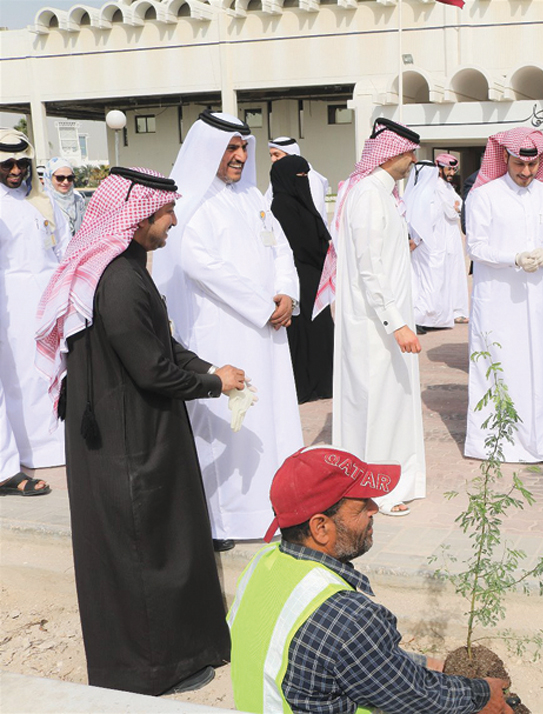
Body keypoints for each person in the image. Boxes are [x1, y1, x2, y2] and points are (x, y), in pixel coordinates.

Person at [35, 166, 240, 695]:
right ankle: (153, 672)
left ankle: (168, 659)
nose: (172, 221)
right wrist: (212, 384)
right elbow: (151, 369)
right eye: (166, 212)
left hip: (130, 430)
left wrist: (210, 370)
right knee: (144, 552)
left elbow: (161, 344)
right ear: (138, 217)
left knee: (152, 545)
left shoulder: (124, 267)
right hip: (129, 441)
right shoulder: (120, 278)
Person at [228, 445, 512, 714]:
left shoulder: (262, 564)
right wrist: (482, 695)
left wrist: (425, 664)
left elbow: (354, 658)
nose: (375, 508)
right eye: (362, 505)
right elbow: (412, 696)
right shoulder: (350, 617)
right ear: (321, 527)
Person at [152, 111, 304, 549]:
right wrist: (263, 306)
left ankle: (274, 509)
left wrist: (286, 294)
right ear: (208, 151)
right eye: (230, 148)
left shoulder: (252, 196)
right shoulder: (191, 203)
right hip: (223, 333)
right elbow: (202, 265)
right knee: (229, 424)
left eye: (243, 148)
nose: (239, 156)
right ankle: (225, 520)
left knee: (271, 416)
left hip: (268, 330)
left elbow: (282, 250)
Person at [314, 118, 426, 516]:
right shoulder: (367, 195)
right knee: (374, 406)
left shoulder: (383, 193)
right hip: (373, 325)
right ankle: (373, 492)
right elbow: (368, 269)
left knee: (392, 403)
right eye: (409, 153)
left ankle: (391, 483)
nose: (413, 161)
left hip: (386, 319)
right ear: (390, 153)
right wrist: (396, 323)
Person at [464, 128, 543, 470]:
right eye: (519, 164)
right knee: (498, 367)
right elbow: (476, 247)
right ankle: (494, 443)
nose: (526, 172)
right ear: (505, 158)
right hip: (497, 300)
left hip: (537, 298)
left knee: (539, 369)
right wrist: (513, 258)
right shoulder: (483, 196)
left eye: (532, 165)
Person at [0, 128, 69, 473]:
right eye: (7, 164)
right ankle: (28, 451)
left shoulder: (44, 201)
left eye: (22, 164)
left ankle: (59, 445)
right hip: (11, 307)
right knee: (22, 377)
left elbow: (65, 249)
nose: (16, 171)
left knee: (54, 371)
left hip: (51, 301)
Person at [269, 155, 334, 403]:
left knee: (319, 330)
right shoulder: (281, 206)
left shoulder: (301, 202)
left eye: (306, 176)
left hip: (314, 275)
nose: (304, 181)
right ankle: (305, 386)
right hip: (297, 278)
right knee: (302, 333)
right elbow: (300, 244)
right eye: (300, 176)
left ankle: (323, 382)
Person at [405, 153, 468, 330]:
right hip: (427, 243)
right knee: (430, 282)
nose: (452, 173)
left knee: (434, 281)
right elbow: (444, 213)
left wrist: (456, 208)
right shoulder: (431, 191)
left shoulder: (433, 190)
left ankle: (434, 317)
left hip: (433, 241)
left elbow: (458, 207)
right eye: (448, 169)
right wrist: (416, 240)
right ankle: (425, 318)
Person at [264, 136, 331, 220]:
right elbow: (267, 204)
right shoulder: (278, 180)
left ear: (291, 155)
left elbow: (315, 212)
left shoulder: (310, 178)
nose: (273, 159)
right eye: (271, 155)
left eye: (276, 155)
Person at [44, 157, 88, 234]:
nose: (65, 182)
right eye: (60, 178)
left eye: (70, 178)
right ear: (49, 177)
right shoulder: (43, 202)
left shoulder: (78, 201)